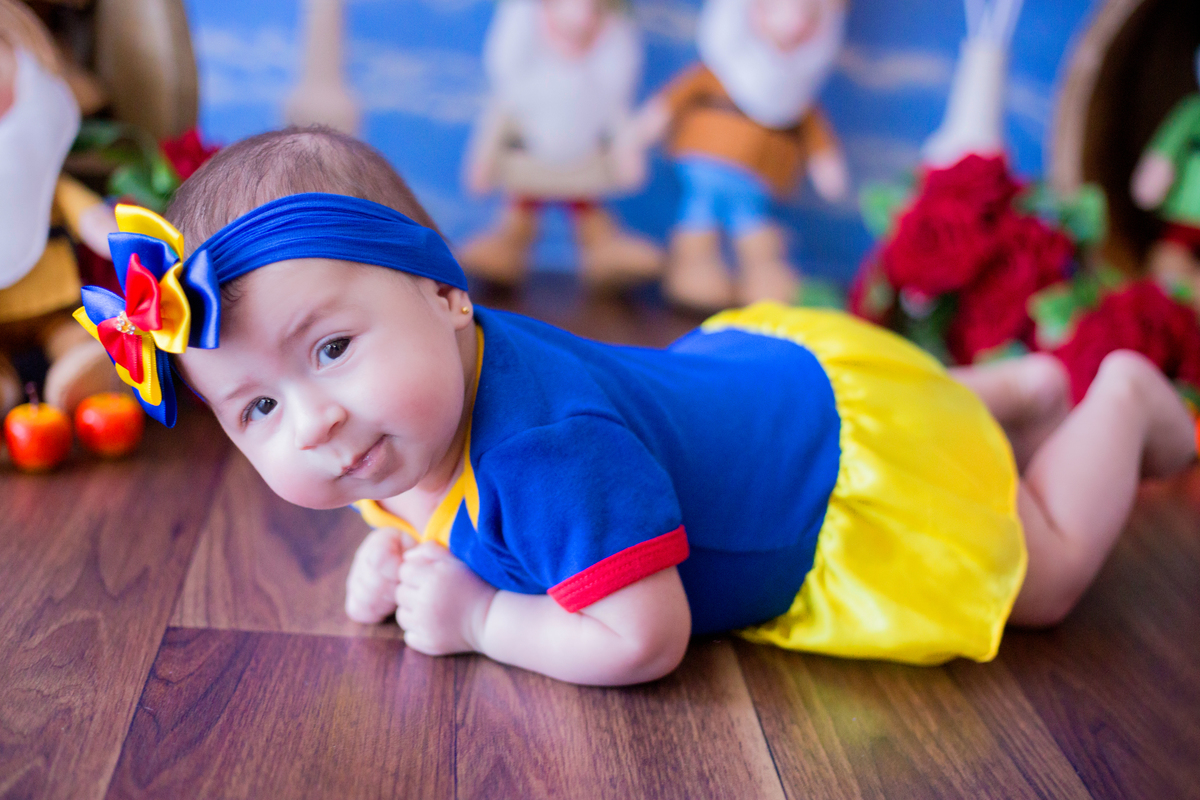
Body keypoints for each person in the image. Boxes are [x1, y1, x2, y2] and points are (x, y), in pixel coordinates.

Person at [77, 128, 1199, 687]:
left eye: (329, 348)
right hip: (761, 382)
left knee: (1039, 579)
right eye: (256, 408)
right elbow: (418, 495)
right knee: (928, 408)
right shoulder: (405, 410)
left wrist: (480, 621)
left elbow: (644, 633)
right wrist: (396, 554)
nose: (313, 421)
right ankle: (1004, 390)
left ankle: (1113, 394)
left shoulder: (546, 452)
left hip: (818, 475)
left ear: (446, 293)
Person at [627, 0, 849, 311]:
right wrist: (638, 135)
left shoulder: (796, 96)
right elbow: (667, 104)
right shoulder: (718, 70)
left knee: (754, 231)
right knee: (698, 223)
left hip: (757, 188)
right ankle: (694, 272)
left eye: (809, 16)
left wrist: (827, 167)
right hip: (702, 173)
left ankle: (765, 280)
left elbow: (818, 140)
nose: (794, 23)